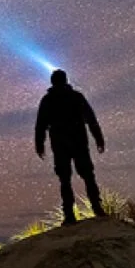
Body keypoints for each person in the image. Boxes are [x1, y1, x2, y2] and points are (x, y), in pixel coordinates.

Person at [35, 69, 106, 225]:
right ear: (65, 80)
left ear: (52, 82)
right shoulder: (76, 97)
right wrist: (98, 138)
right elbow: (91, 119)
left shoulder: (48, 100)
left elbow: (40, 125)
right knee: (87, 175)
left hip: (60, 144)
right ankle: (97, 208)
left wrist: (40, 145)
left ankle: (69, 215)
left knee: (65, 179)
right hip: (78, 141)